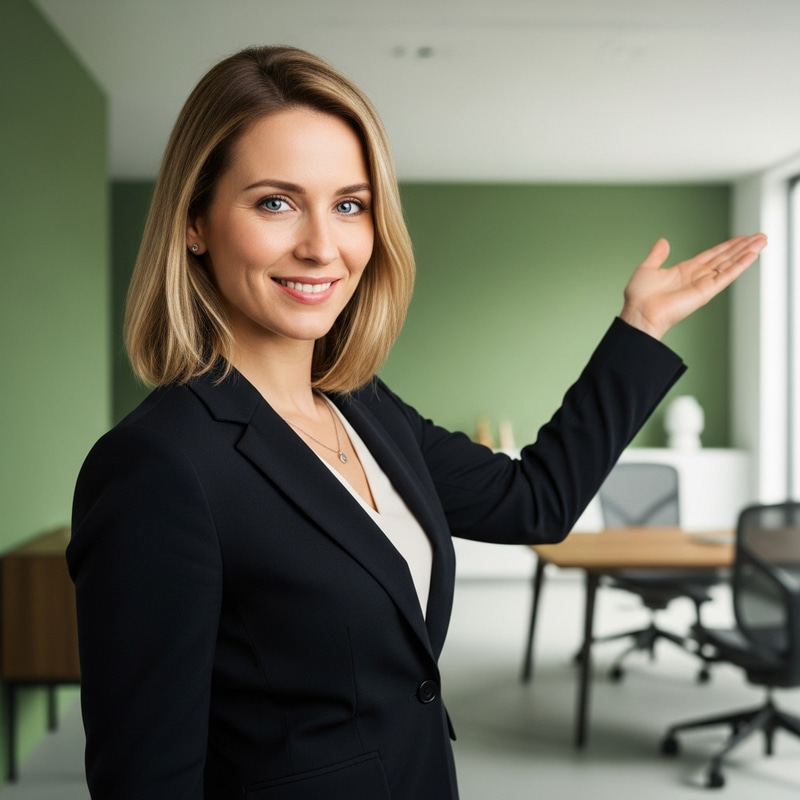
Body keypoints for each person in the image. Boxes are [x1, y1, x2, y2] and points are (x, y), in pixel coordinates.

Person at [67, 44, 766, 800]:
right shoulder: (159, 465)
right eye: (275, 202)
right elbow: (147, 780)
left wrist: (641, 327)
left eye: (349, 204)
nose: (321, 246)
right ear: (196, 221)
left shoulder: (363, 405)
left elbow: (536, 501)